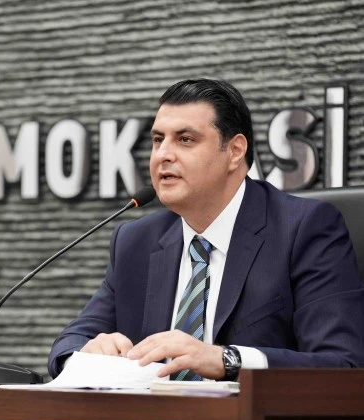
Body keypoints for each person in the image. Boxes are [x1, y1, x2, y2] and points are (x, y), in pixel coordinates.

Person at [48, 79, 364, 381]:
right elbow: (70, 343)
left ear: (235, 151)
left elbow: (343, 365)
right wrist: (87, 354)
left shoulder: (303, 229)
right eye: (158, 140)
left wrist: (227, 360)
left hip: (253, 419)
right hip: (154, 417)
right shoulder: (136, 241)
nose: (163, 155)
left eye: (185, 139)